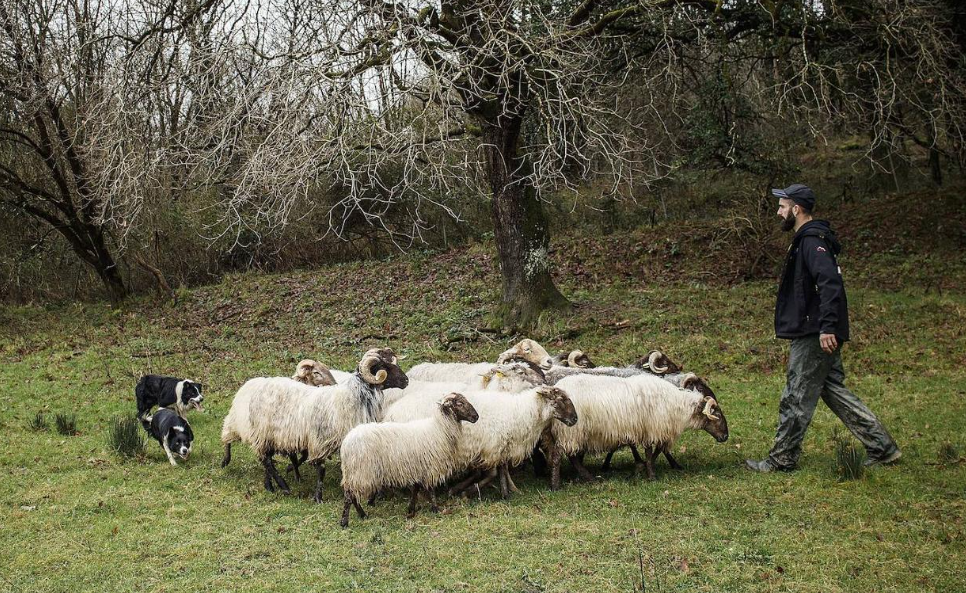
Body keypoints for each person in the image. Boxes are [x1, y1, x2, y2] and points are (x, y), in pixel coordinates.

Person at [745, 183, 901, 472]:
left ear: (797, 208)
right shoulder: (807, 240)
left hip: (815, 332)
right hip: (815, 328)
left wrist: (827, 327)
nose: (778, 212)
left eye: (782, 206)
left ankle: (782, 459)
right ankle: (883, 448)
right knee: (832, 391)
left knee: (796, 394)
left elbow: (830, 284)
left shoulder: (811, 242)